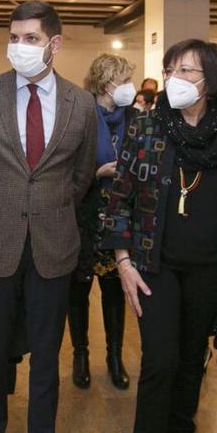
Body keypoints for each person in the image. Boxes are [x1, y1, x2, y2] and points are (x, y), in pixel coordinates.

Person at [102, 39, 217, 433]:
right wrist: (123, 261)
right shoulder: (147, 128)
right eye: (170, 70)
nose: (175, 79)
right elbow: (120, 198)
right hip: (155, 265)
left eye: (186, 71)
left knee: (193, 359)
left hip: (211, 268)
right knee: (160, 361)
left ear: (212, 79)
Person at [0, 0, 98, 433]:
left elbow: (80, 176)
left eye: (31, 39)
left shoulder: (82, 104)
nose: (19, 47)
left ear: (54, 44)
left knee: (45, 356)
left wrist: (48, 208)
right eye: (14, 38)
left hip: (54, 247)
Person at [68, 53, 137, 391]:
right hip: (83, 216)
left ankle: (114, 356)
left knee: (114, 290)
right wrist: (98, 173)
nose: (130, 88)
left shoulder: (134, 118)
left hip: (119, 218)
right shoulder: (79, 116)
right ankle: (80, 354)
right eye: (125, 81)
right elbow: (66, 170)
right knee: (77, 290)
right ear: (108, 83)